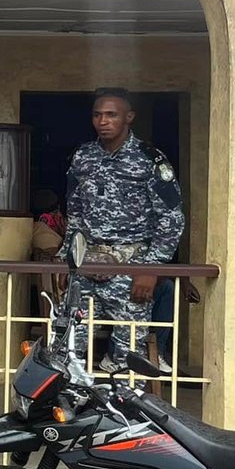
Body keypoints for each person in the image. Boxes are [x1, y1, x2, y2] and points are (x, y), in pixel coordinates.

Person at [63, 89, 185, 376]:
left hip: (131, 269)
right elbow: (75, 212)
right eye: (97, 115)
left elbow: (171, 218)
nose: (103, 121)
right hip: (86, 266)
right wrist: (67, 259)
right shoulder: (83, 156)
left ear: (129, 117)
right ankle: (70, 401)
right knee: (67, 348)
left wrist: (151, 268)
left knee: (128, 354)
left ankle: (128, 404)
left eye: (111, 115)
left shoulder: (149, 160)